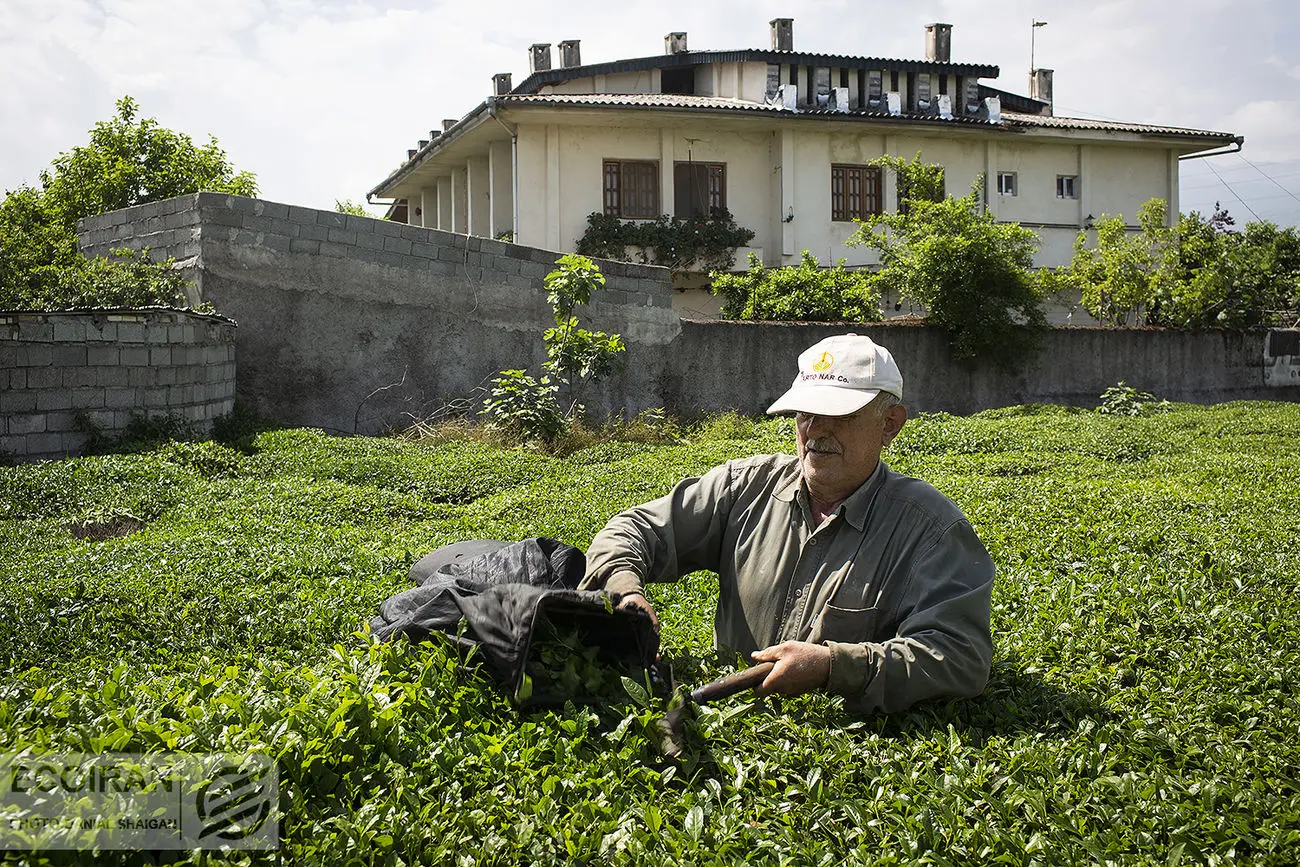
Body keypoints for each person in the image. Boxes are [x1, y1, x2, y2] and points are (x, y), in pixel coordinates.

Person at [580, 334, 994, 715]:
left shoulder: (932, 531)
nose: (816, 430)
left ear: (890, 424)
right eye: (805, 413)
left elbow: (960, 656)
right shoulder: (744, 487)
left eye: (839, 414)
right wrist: (624, 590)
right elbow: (631, 530)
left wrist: (833, 666)